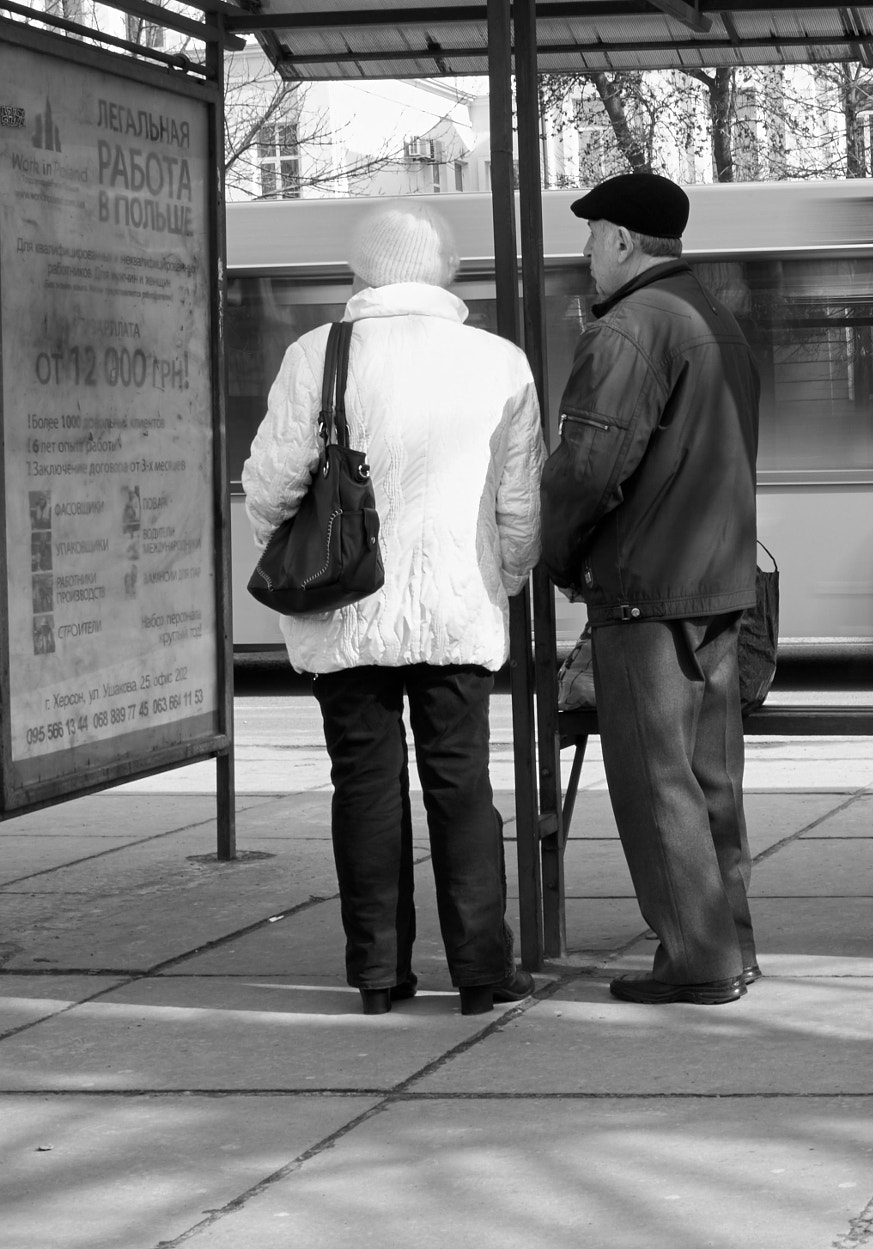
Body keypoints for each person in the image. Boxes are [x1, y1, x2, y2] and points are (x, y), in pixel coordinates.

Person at [244, 202, 543, 1015]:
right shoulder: (500, 361)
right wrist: (503, 579)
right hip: (455, 610)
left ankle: (379, 974)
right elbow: (520, 507)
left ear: (361, 274)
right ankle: (483, 972)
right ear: (445, 271)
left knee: (365, 787)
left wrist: (299, 546)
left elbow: (270, 488)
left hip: (347, 613)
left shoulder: (319, 353)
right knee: (461, 787)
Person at [541, 172, 762, 1006]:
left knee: (655, 781)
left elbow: (589, 467)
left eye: (592, 233)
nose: (585, 250)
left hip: (648, 591)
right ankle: (732, 943)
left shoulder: (630, 328)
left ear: (625, 240)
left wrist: (556, 554)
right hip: (718, 586)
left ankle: (695, 959)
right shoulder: (715, 320)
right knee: (712, 782)